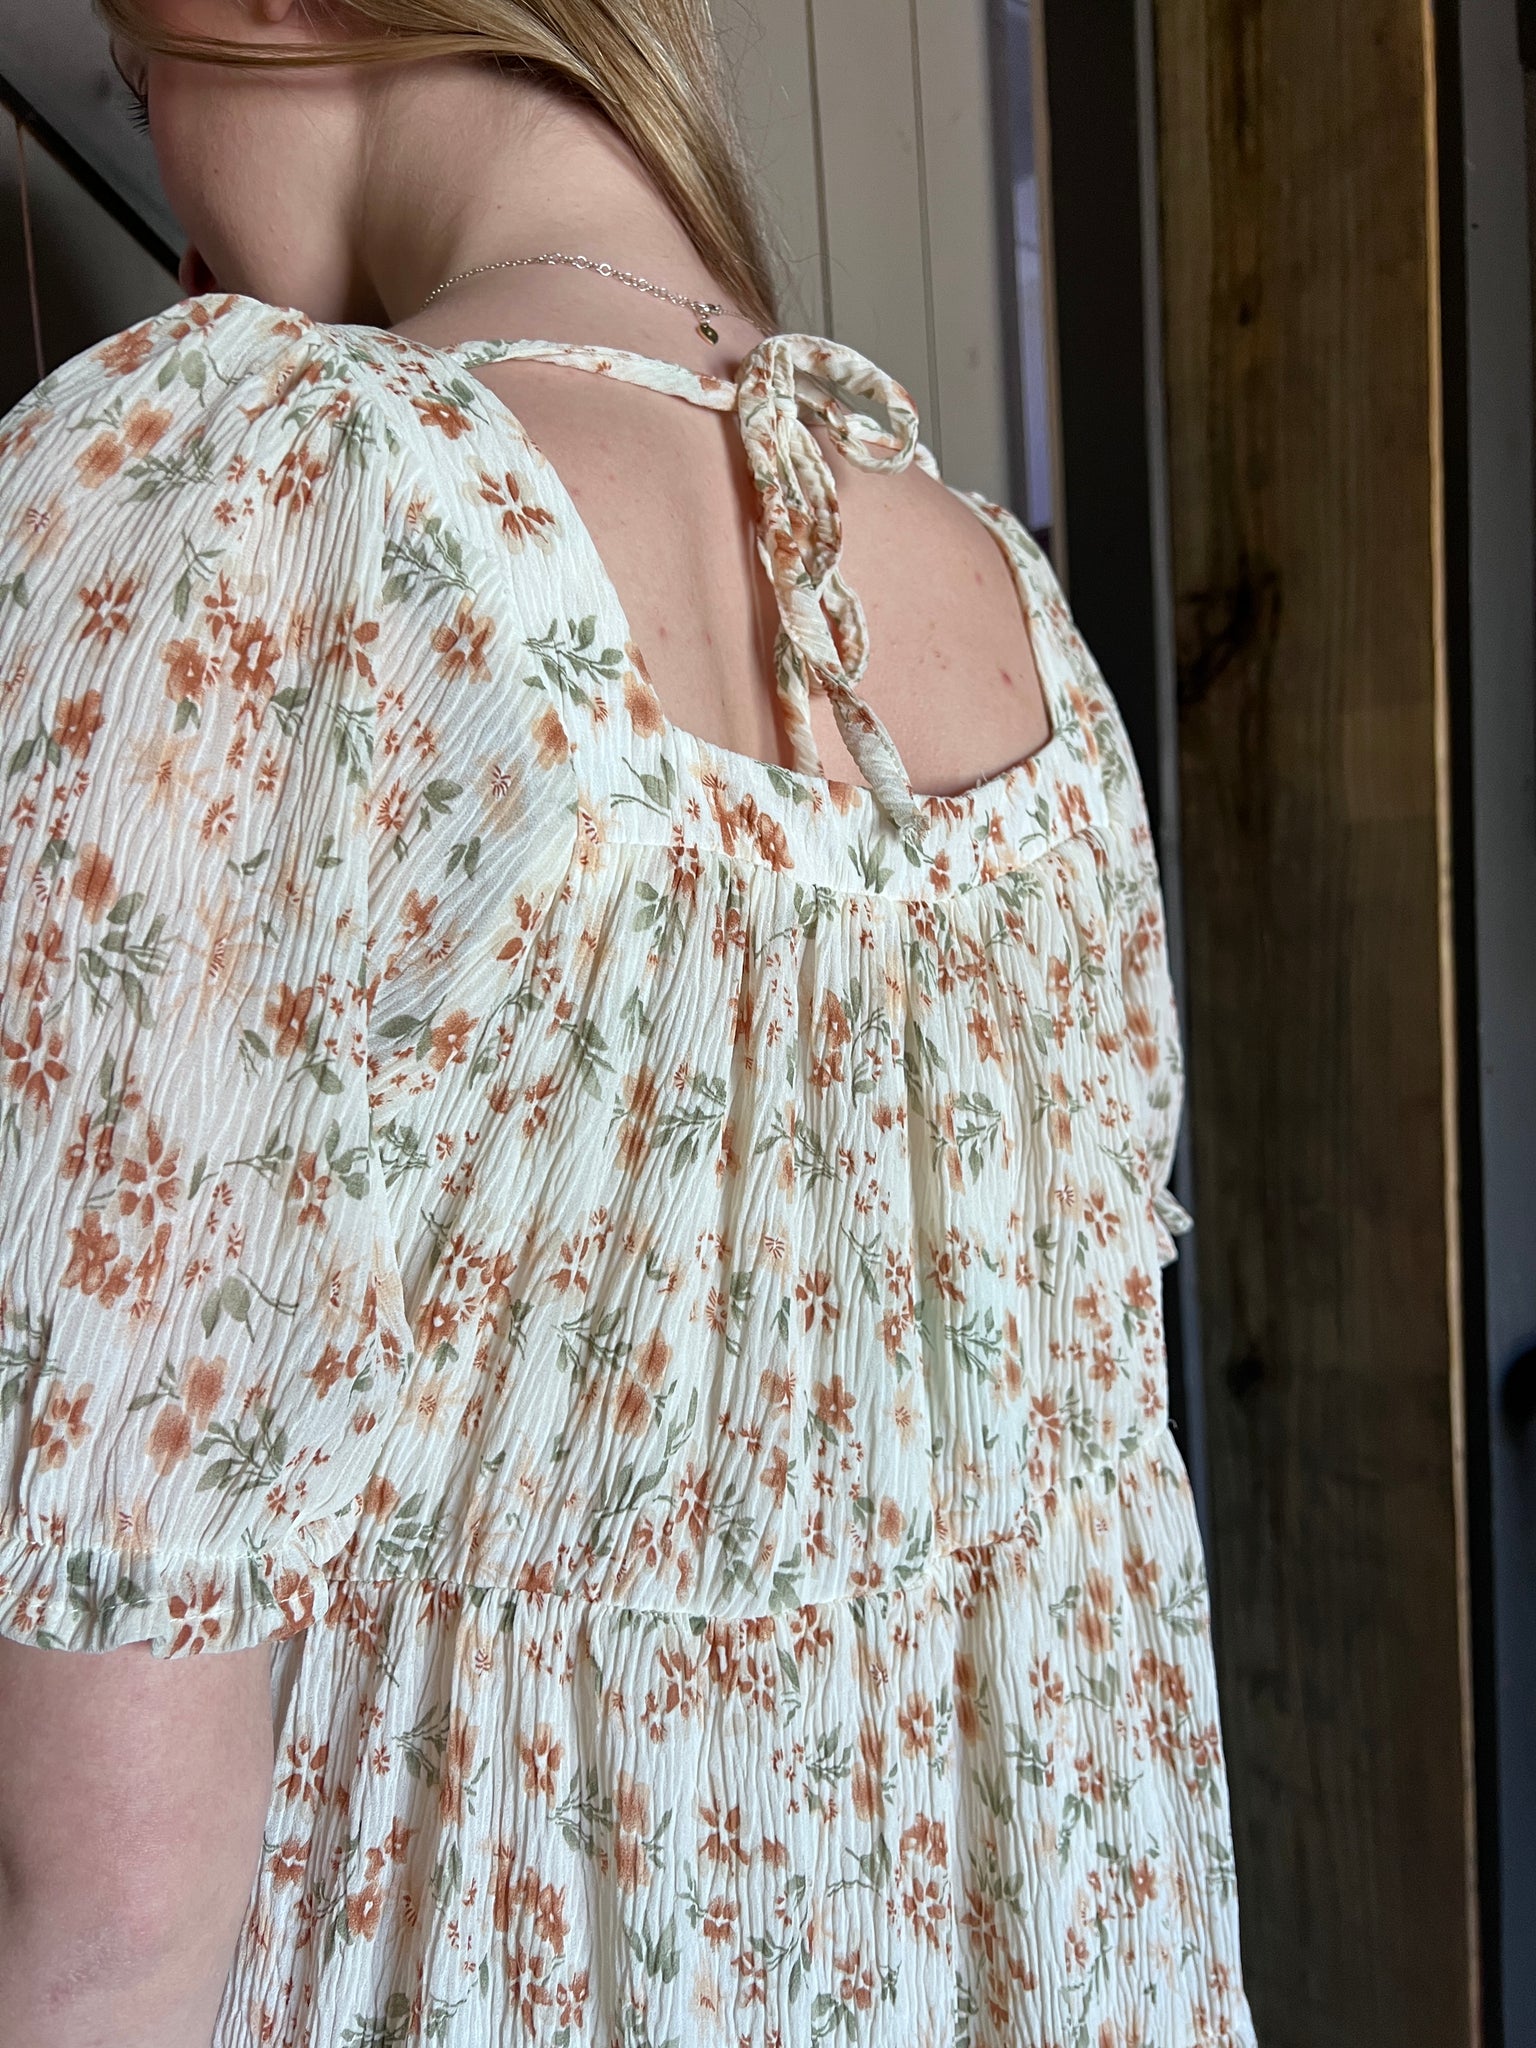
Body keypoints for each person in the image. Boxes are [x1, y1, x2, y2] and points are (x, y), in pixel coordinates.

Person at [0, 3, 1257, 2044]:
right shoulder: (1020, 638)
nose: (172, 190)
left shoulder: (252, 517)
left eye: (143, 87)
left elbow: (106, 1911)